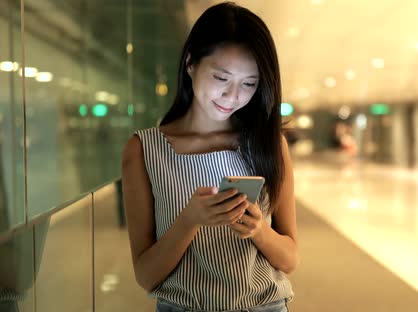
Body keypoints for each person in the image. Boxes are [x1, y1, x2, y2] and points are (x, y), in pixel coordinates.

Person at [121, 3, 298, 312]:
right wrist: (189, 221)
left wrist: (259, 230)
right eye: (221, 78)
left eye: (249, 83)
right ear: (190, 63)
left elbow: (290, 259)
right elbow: (146, 277)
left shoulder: (269, 144)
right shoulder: (145, 150)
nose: (233, 96)